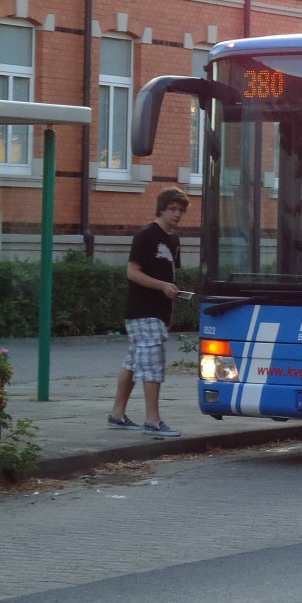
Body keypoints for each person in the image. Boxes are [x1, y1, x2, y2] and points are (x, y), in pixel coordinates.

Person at [108, 186, 189, 437]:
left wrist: (169, 311)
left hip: (158, 311)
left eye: (181, 210)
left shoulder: (173, 238)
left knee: (133, 362)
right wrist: (162, 286)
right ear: (161, 209)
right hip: (142, 310)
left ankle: (117, 414)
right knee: (153, 364)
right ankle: (152, 421)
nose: (177, 214)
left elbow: (170, 275)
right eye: (172, 209)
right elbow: (132, 272)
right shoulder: (146, 235)